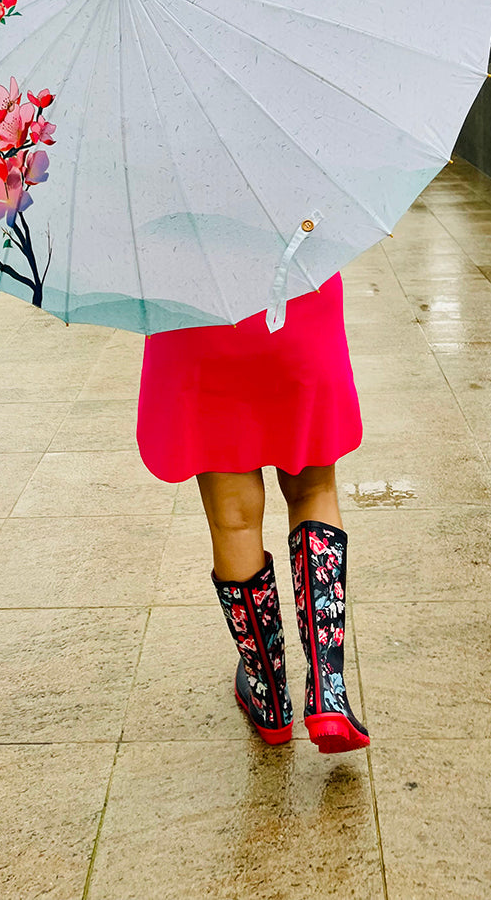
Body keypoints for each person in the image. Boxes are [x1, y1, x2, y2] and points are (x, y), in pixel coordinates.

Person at [136, 270, 369, 753]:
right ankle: (328, 688)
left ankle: (269, 698)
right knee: (313, 490)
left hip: (193, 309)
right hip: (297, 290)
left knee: (234, 519)